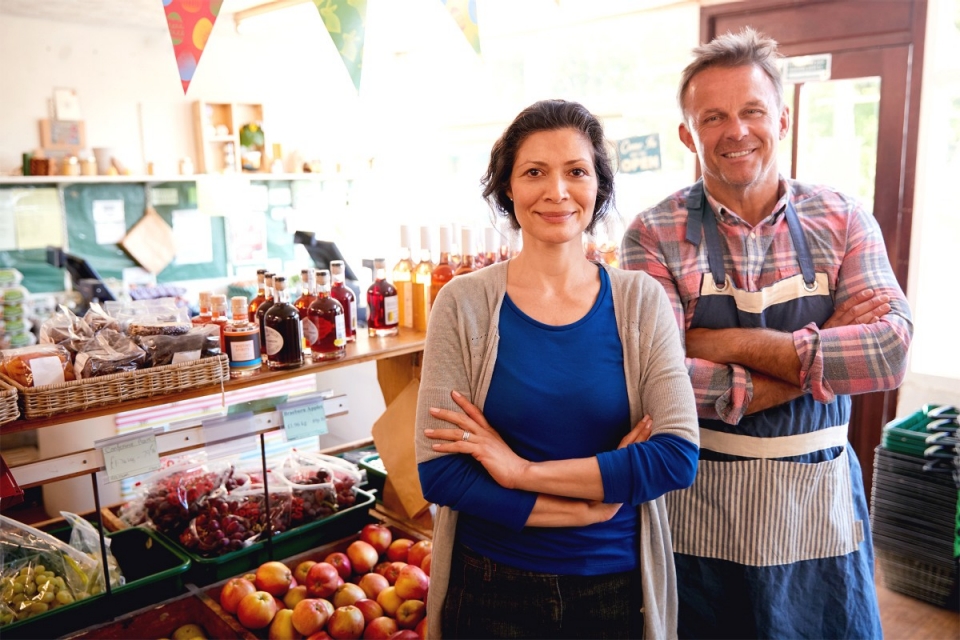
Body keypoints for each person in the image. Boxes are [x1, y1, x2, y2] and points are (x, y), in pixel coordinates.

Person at [621, 28, 913, 639]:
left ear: (781, 119)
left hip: (820, 507)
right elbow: (660, 387)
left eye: (752, 111)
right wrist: (825, 354)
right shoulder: (652, 235)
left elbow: (887, 353)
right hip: (703, 510)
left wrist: (719, 343)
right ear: (688, 134)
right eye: (714, 116)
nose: (736, 130)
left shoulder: (843, 218)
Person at [415, 99, 700, 640]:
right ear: (507, 189)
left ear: (599, 188)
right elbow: (442, 471)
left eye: (576, 172)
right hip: (489, 585)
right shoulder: (463, 303)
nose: (557, 191)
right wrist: (585, 508)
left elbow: (675, 456)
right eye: (534, 173)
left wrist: (520, 472)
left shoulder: (640, 301)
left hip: (615, 589)